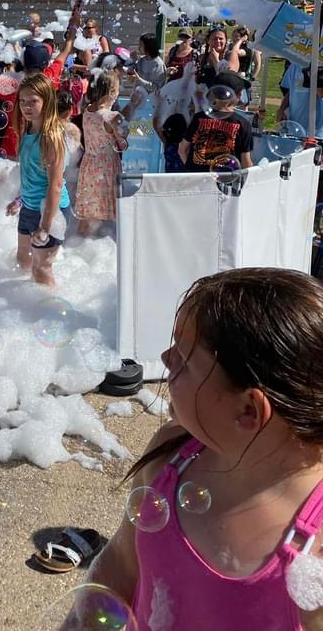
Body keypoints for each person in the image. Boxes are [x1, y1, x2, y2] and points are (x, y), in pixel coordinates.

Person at [61, 268, 323, 631]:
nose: (166, 358)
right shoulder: (173, 454)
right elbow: (121, 563)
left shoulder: (313, 558)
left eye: (184, 357)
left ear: (248, 411)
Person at [6, 73, 69, 286]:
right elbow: (29, 173)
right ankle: (26, 305)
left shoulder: (51, 137)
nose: (26, 106)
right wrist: (19, 199)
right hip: (30, 207)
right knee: (23, 258)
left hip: (50, 211)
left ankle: (48, 314)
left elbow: (56, 185)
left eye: (33, 101)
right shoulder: (28, 130)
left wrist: (46, 225)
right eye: (22, 101)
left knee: (42, 268)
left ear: (47, 101)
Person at [74, 70, 128, 237]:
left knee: (89, 209)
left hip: (89, 164)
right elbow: (123, 144)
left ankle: (80, 244)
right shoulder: (112, 116)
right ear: (112, 93)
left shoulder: (88, 110)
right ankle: (103, 245)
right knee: (105, 212)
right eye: (118, 89)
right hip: (106, 167)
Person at [179, 71, 254, 171]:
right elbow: (246, 162)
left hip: (195, 182)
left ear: (213, 93)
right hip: (225, 183)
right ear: (239, 95)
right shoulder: (243, 124)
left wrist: (191, 170)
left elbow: (182, 150)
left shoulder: (198, 117)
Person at [277, 63, 323, 139]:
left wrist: (313, 74)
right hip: (295, 128)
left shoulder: (320, 63)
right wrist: (281, 109)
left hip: (316, 131)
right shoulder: (294, 65)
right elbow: (290, 91)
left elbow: (321, 94)